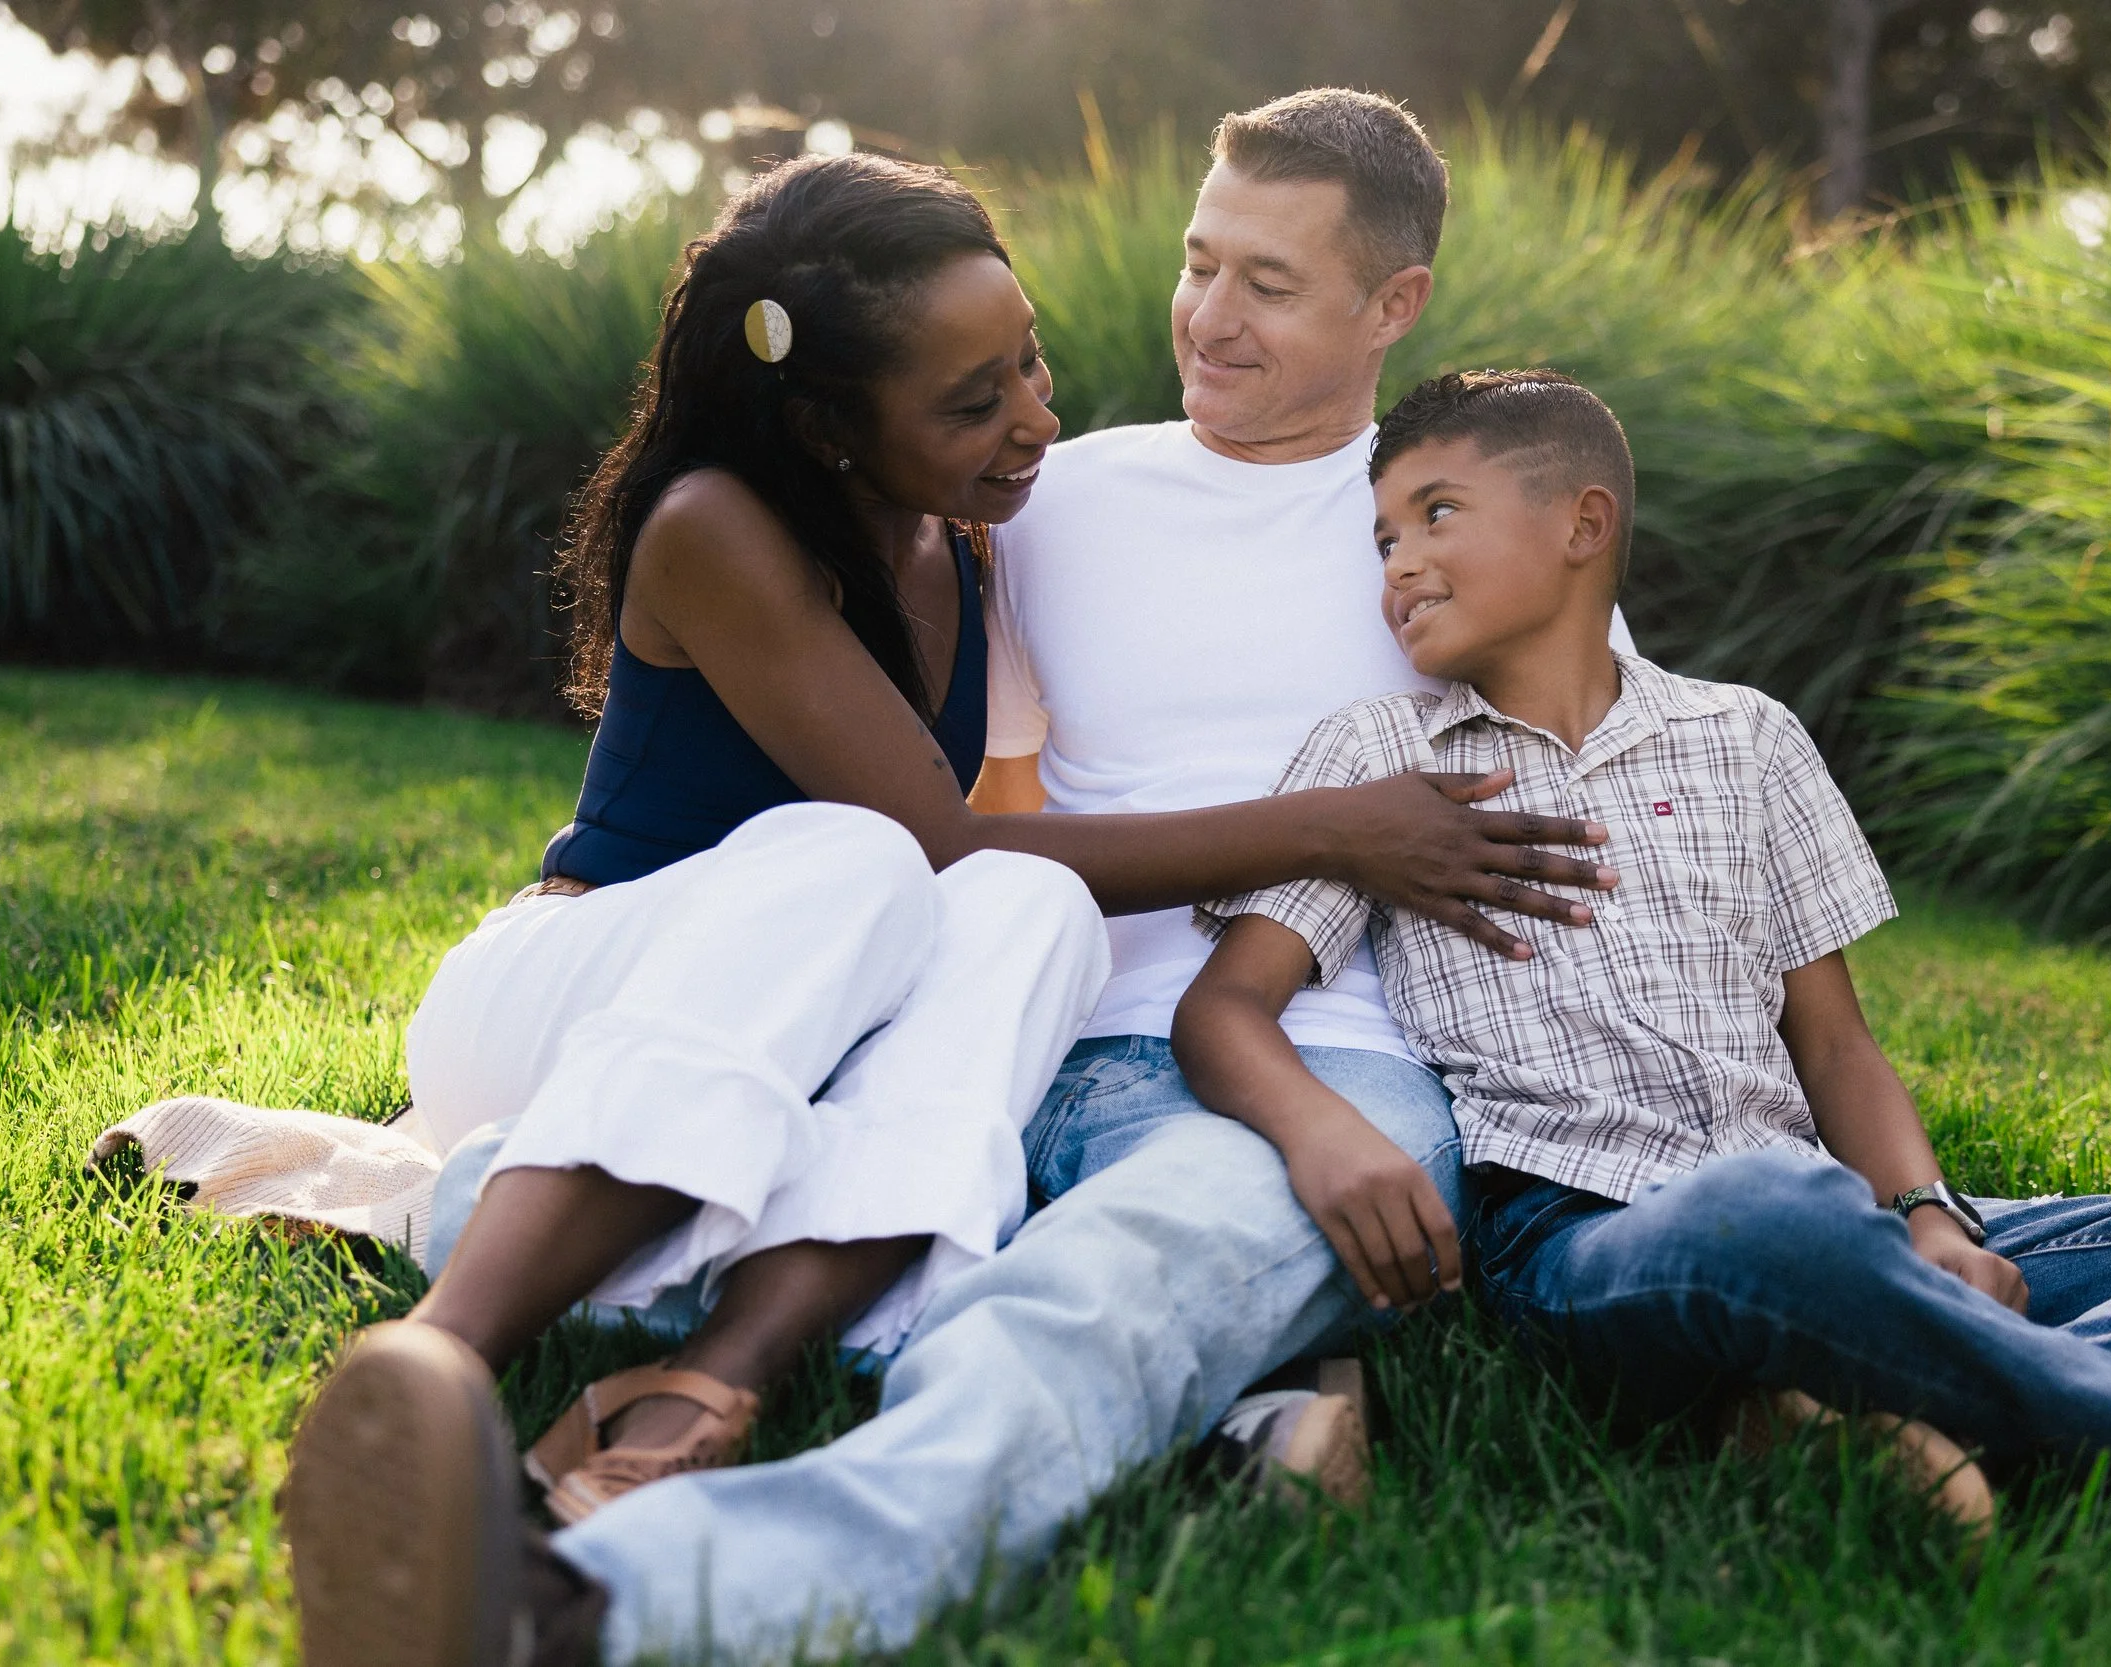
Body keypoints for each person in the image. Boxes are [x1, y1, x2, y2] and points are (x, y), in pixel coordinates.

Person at [280, 147, 1623, 1667]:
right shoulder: (1005, 504)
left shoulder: (1458, 534)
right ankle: (457, 1352)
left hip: (1255, 1056)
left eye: (1270, 281)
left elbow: (1612, 859)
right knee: (898, 877)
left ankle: (613, 1577)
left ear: (1399, 303)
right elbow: (931, 840)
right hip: (772, 987)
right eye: (1198, 262)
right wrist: (1332, 828)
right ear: (843, 426)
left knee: (1061, 1186)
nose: (1204, 320)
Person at [1173, 366, 2111, 1531]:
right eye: (1384, 533)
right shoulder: (1375, 755)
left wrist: (1926, 1214)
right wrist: (1322, 1131)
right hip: (1582, 1247)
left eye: (1437, 514)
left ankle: (1886, 1410)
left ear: (1583, 524)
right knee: (1771, 1210)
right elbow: (1227, 1009)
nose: (1398, 559)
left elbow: (1836, 1040)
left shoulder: (1748, 735)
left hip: (1828, 1208)